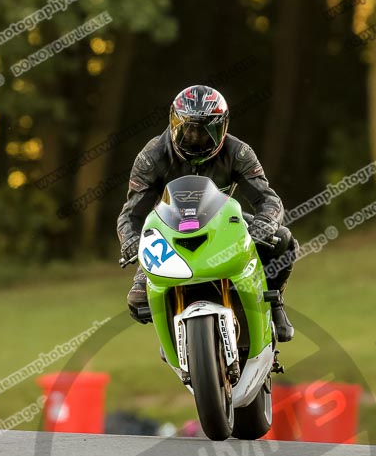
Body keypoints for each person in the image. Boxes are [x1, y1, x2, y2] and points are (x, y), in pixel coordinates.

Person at [117, 85, 298, 341]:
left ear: (223, 128)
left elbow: (269, 199)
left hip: (221, 226)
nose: (194, 137)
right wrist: (130, 241)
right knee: (138, 300)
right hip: (168, 233)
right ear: (173, 122)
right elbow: (130, 215)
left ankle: (275, 301)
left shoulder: (238, 152)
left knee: (283, 241)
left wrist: (265, 223)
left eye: (205, 131)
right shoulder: (151, 157)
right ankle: (172, 339)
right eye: (187, 128)